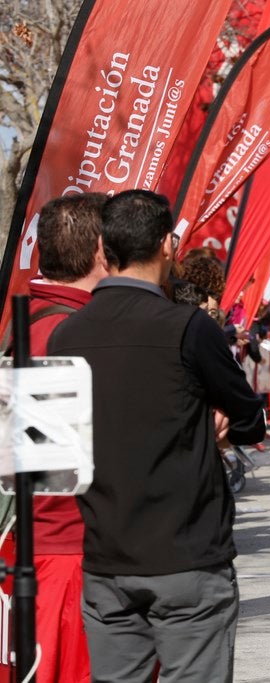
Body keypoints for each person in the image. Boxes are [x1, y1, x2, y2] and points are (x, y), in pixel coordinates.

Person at [47, 190, 266, 682]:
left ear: (104, 251)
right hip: (186, 555)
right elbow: (251, 420)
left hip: (105, 557)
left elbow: (58, 453)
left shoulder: (66, 335)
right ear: (169, 245)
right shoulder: (188, 327)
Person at [6, 193, 109, 683]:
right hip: (69, 565)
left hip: (29, 557)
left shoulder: (21, 326)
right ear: (101, 252)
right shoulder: (80, 335)